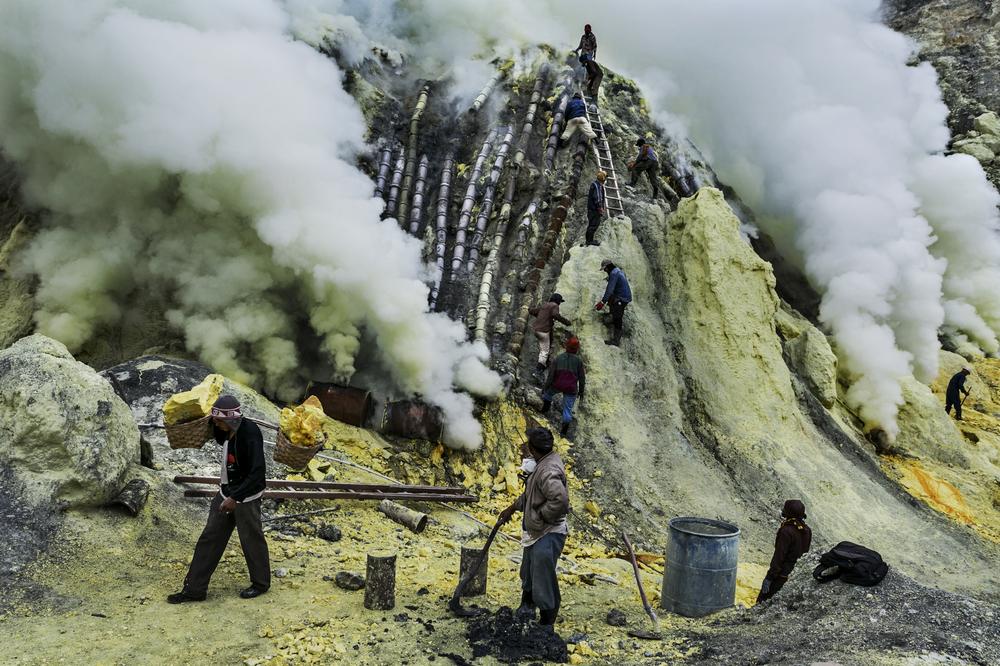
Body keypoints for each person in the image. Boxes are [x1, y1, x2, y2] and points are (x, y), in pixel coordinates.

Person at [167, 395, 270, 603]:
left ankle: (261, 583)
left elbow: (257, 473)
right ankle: (194, 590)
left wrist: (236, 498)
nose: (216, 424)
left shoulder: (250, 434)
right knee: (210, 537)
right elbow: (208, 428)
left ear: (232, 420)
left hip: (246, 495)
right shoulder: (224, 430)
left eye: (219, 420)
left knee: (251, 539)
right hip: (226, 490)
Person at [498, 427, 569, 627]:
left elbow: (560, 500)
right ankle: (526, 607)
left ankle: (547, 622)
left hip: (548, 533)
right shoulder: (543, 463)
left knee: (542, 576)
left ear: (533, 449)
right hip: (536, 532)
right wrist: (512, 508)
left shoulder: (547, 470)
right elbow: (532, 496)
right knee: (528, 570)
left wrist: (540, 516)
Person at [757, 499, 812, 603]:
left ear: (789, 513)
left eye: (785, 509)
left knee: (762, 602)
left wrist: (769, 577)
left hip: (781, 575)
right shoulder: (807, 530)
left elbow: (779, 556)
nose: (782, 510)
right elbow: (805, 552)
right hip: (796, 575)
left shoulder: (786, 531)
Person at [541, 337, 586, 436]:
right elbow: (582, 378)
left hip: (558, 384)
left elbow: (551, 375)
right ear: (577, 349)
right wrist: (581, 391)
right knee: (567, 410)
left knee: (548, 395)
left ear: (566, 346)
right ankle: (563, 431)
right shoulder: (579, 362)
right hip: (571, 388)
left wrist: (545, 387)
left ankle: (545, 409)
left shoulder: (559, 358)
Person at [529, 293, 572, 372]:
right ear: (557, 301)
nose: (559, 303)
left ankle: (545, 362)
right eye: (559, 302)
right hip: (543, 330)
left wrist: (540, 317)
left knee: (546, 345)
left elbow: (533, 311)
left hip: (536, 329)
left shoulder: (545, 305)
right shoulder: (555, 306)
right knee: (544, 351)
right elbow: (555, 314)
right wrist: (566, 322)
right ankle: (538, 370)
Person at [595, 259, 632, 346]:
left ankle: (616, 340)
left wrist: (602, 302)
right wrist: (610, 278)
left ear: (608, 267)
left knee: (618, 318)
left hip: (622, 298)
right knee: (611, 299)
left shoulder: (614, 274)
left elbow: (609, 290)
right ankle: (612, 315)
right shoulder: (618, 270)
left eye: (605, 269)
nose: (604, 270)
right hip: (624, 295)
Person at [584, 171, 607, 246]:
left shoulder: (595, 184)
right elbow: (598, 198)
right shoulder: (597, 186)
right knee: (593, 225)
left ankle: (589, 240)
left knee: (592, 225)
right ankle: (589, 241)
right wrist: (600, 208)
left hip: (592, 209)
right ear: (603, 179)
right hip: (594, 210)